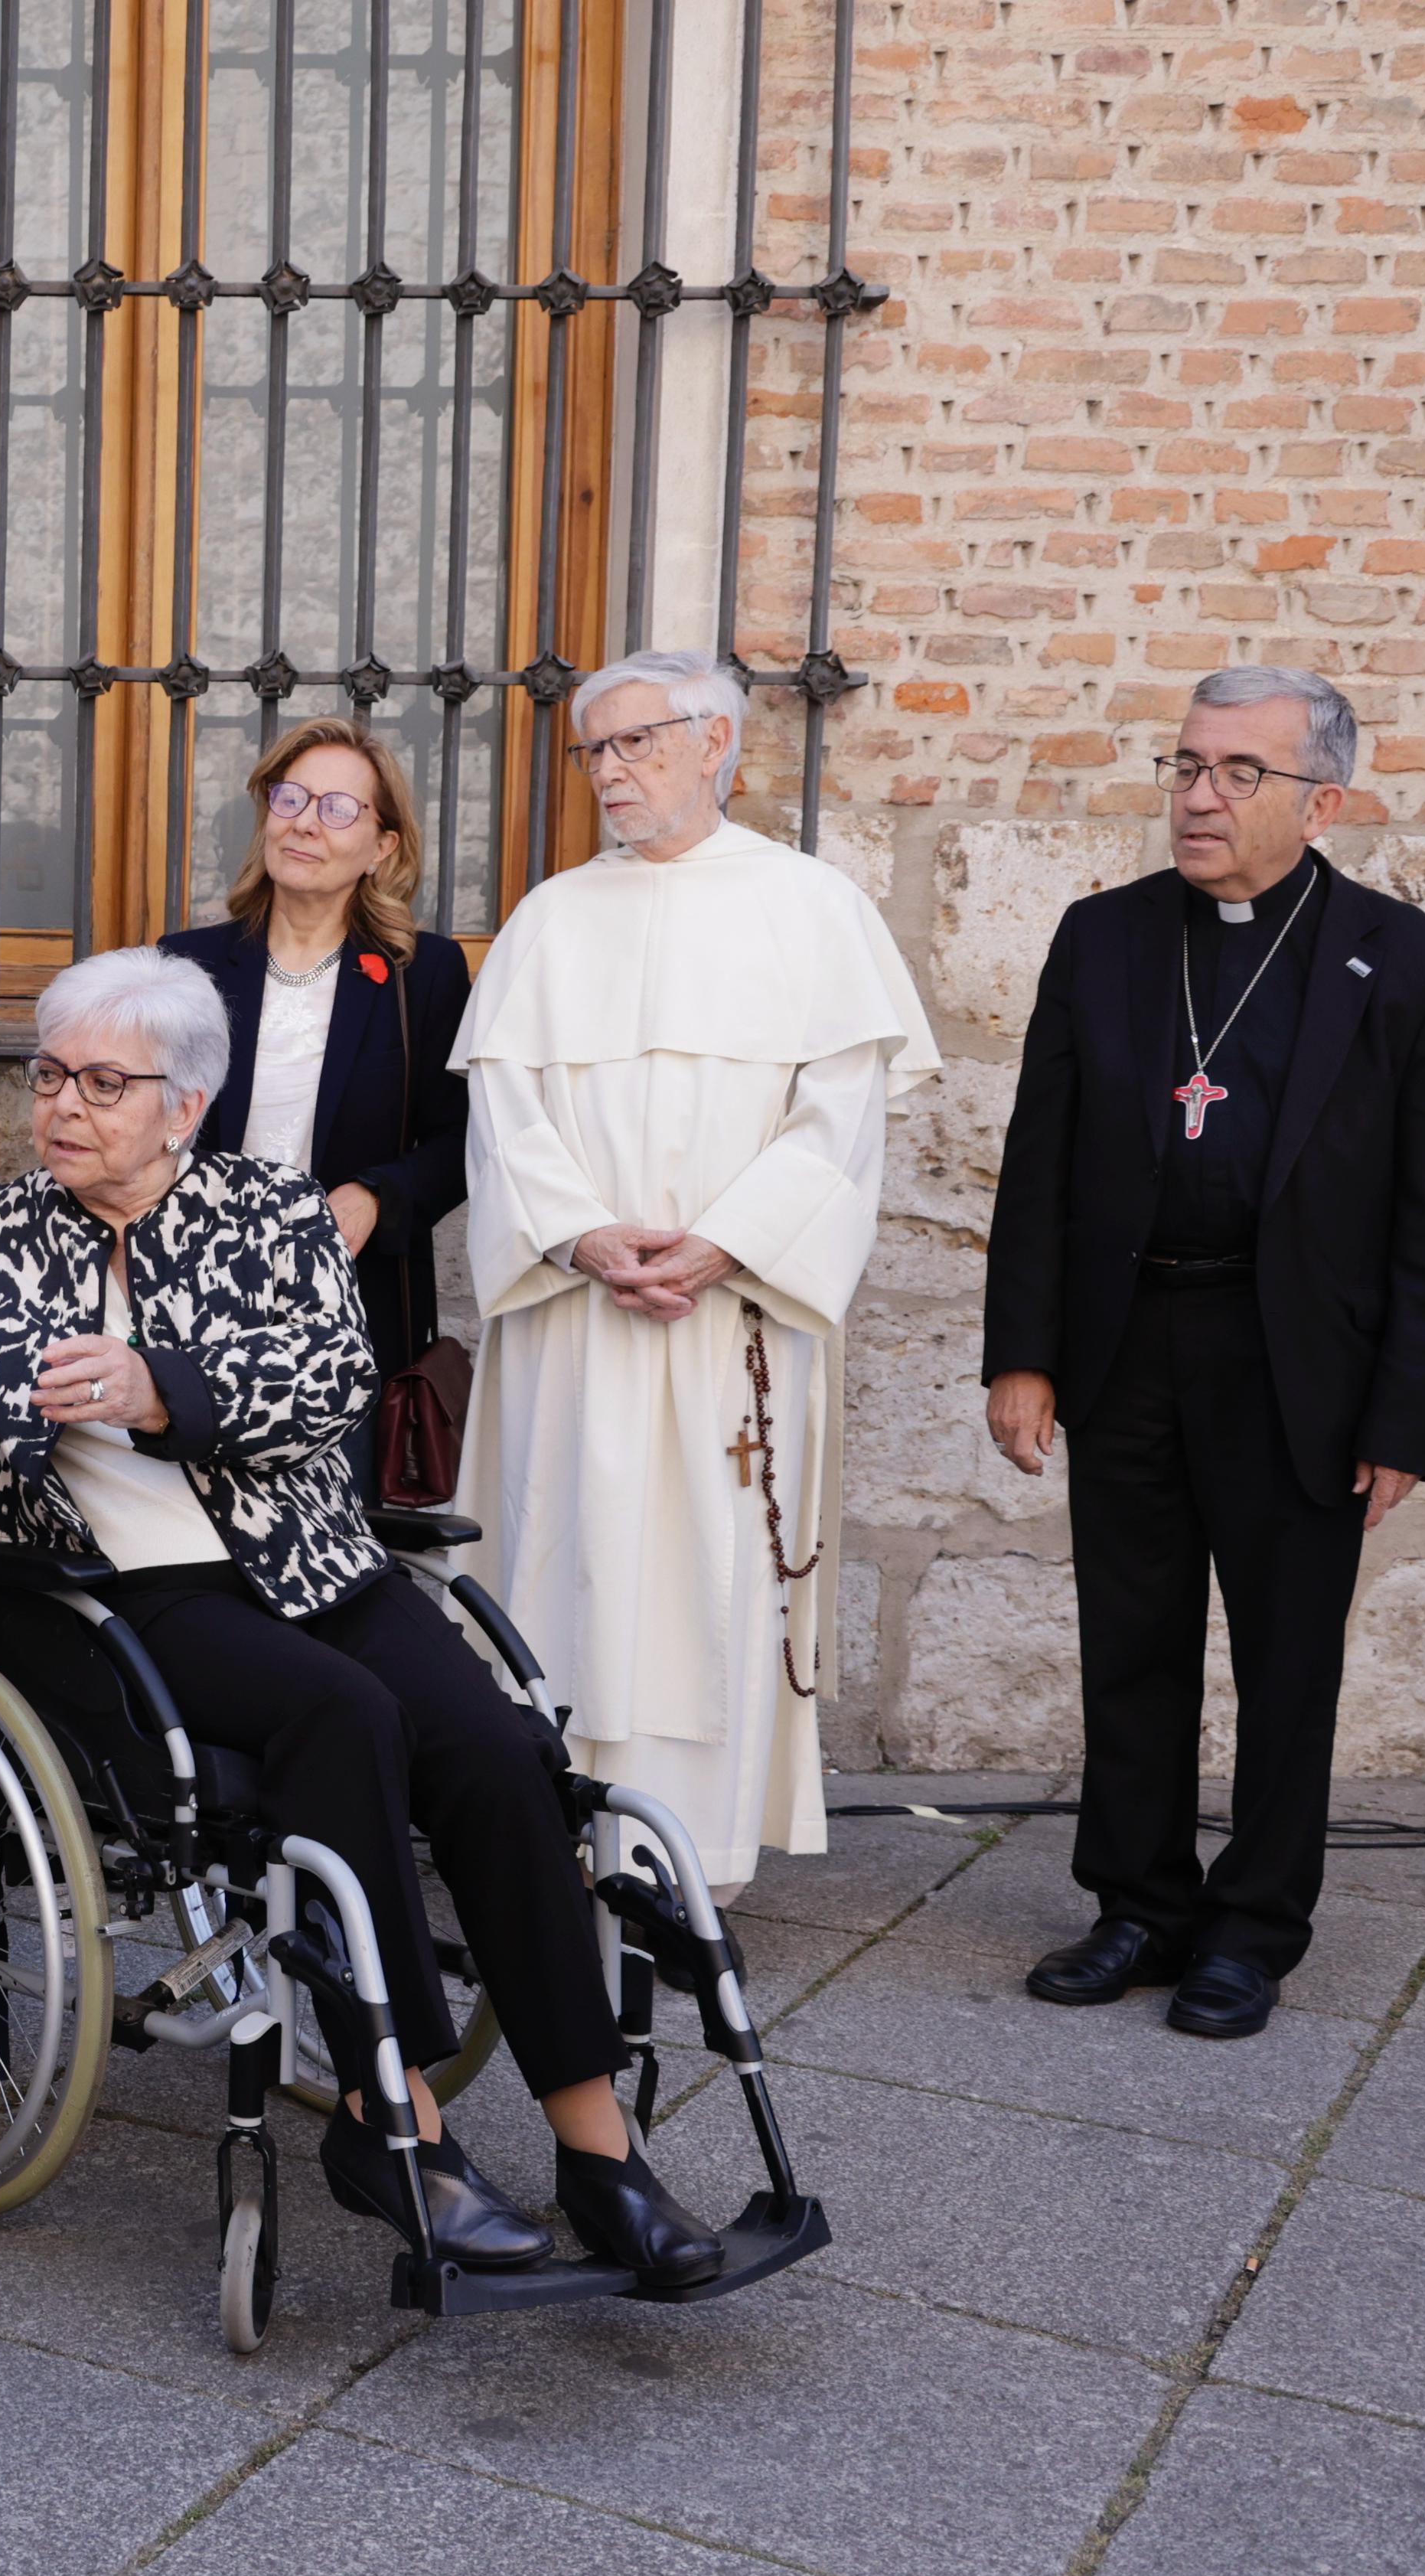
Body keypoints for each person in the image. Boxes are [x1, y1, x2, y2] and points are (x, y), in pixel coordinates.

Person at [0, 946, 726, 2282]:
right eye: (50, 1075)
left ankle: (600, 2147)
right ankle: (395, 2123)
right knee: (342, 1713)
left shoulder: (271, 1210)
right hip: (102, 1593)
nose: (62, 1104)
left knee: (495, 1747)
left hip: (308, 1561)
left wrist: (156, 1387)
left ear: (185, 1104)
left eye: (103, 1082)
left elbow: (332, 1378)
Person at [984, 668, 1425, 2041]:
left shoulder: (1419, 967)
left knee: (1288, 1661)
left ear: (1322, 803)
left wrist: (1407, 1416)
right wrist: (1022, 1352)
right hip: (1129, 1340)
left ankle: (1254, 1927)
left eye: (1239, 772)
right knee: (1129, 1641)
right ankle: (1139, 1902)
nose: (1199, 796)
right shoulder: (1104, 937)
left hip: (1300, 1364)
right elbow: (1039, 1160)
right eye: (1188, 765)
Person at [449, 649, 938, 1891]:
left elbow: (841, 1123)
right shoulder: (553, 917)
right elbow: (503, 1117)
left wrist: (729, 1242)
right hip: (576, 1317)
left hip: (732, 1319)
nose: (609, 771)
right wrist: (580, 1235)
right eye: (594, 750)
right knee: (562, 1560)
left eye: (637, 742)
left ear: (717, 743)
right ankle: (551, 1841)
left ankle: (688, 1864)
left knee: (709, 1581)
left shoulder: (814, 907)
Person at [158, 714, 471, 1459]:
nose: (304, 823)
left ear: (381, 846)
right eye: (290, 798)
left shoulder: (421, 974)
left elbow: (463, 1139)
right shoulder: (187, 964)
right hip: (193, 1305)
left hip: (346, 1315)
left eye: (337, 809)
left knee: (333, 1521)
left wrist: (376, 1196)